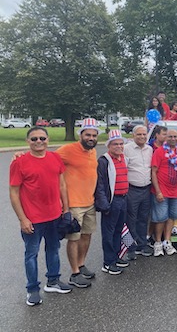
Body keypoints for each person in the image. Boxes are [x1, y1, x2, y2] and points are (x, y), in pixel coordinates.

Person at [10, 127, 72, 306]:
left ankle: (53, 281)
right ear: (27, 141)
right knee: (31, 254)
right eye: (34, 138)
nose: (39, 141)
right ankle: (32, 289)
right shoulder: (19, 162)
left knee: (53, 249)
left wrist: (66, 209)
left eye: (42, 138)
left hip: (54, 215)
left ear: (48, 139)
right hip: (33, 218)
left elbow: (62, 185)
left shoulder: (55, 158)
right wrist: (23, 219)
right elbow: (14, 193)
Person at [56, 117, 100, 288]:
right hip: (73, 203)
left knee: (86, 235)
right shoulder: (68, 150)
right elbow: (45, 157)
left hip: (89, 202)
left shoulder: (92, 151)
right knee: (73, 238)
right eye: (87, 135)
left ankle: (81, 265)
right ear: (80, 135)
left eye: (94, 135)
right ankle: (74, 273)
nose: (91, 138)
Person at [95, 130, 130, 275]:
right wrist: (104, 204)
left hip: (123, 199)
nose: (119, 146)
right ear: (109, 145)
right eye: (115, 144)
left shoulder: (124, 158)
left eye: (121, 144)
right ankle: (108, 262)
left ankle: (116, 257)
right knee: (108, 233)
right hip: (112, 200)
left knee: (118, 230)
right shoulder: (104, 161)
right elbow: (100, 184)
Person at [124, 125, 154, 260]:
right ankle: (130, 246)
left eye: (144, 134)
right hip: (132, 189)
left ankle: (142, 244)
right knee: (130, 219)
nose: (142, 137)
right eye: (139, 134)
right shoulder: (126, 149)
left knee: (143, 219)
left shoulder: (150, 149)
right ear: (133, 136)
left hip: (146, 189)